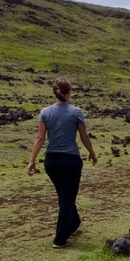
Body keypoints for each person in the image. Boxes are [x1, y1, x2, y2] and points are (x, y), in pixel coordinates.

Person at [27, 77, 97, 248]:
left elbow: (40, 137)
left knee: (65, 195)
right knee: (66, 198)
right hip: (70, 160)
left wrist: (32, 160)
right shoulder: (76, 112)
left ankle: (74, 223)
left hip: (52, 161)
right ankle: (60, 238)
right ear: (69, 91)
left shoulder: (45, 112)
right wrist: (92, 153)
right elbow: (84, 136)